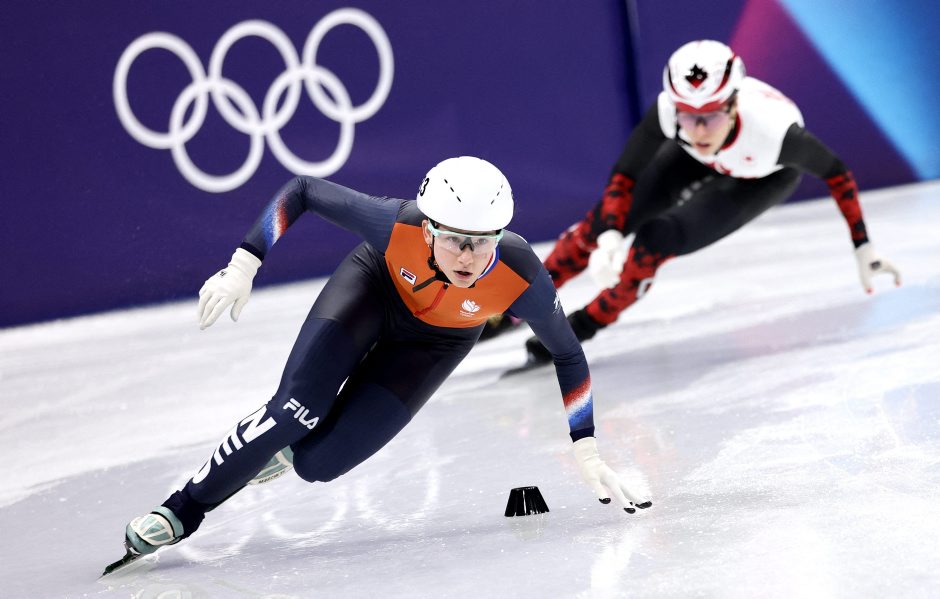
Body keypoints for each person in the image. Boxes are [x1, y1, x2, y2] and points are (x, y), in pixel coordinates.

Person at [116, 157, 651, 563]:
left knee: (317, 465)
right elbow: (303, 190)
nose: (468, 258)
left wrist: (586, 449)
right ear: (430, 229)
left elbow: (567, 354)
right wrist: (244, 263)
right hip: (373, 291)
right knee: (296, 409)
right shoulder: (396, 224)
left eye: (482, 242)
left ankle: (286, 448)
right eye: (455, 241)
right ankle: (182, 509)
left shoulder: (521, 275)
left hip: (436, 343)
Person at [481, 40, 902, 363]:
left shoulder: (777, 135)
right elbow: (625, 174)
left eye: (711, 116)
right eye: (687, 116)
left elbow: (837, 172)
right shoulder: (672, 114)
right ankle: (509, 310)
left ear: (734, 105)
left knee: (656, 240)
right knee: (598, 225)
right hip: (689, 161)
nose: (699, 129)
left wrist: (862, 245)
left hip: (757, 177)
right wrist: (609, 234)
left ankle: (582, 326)